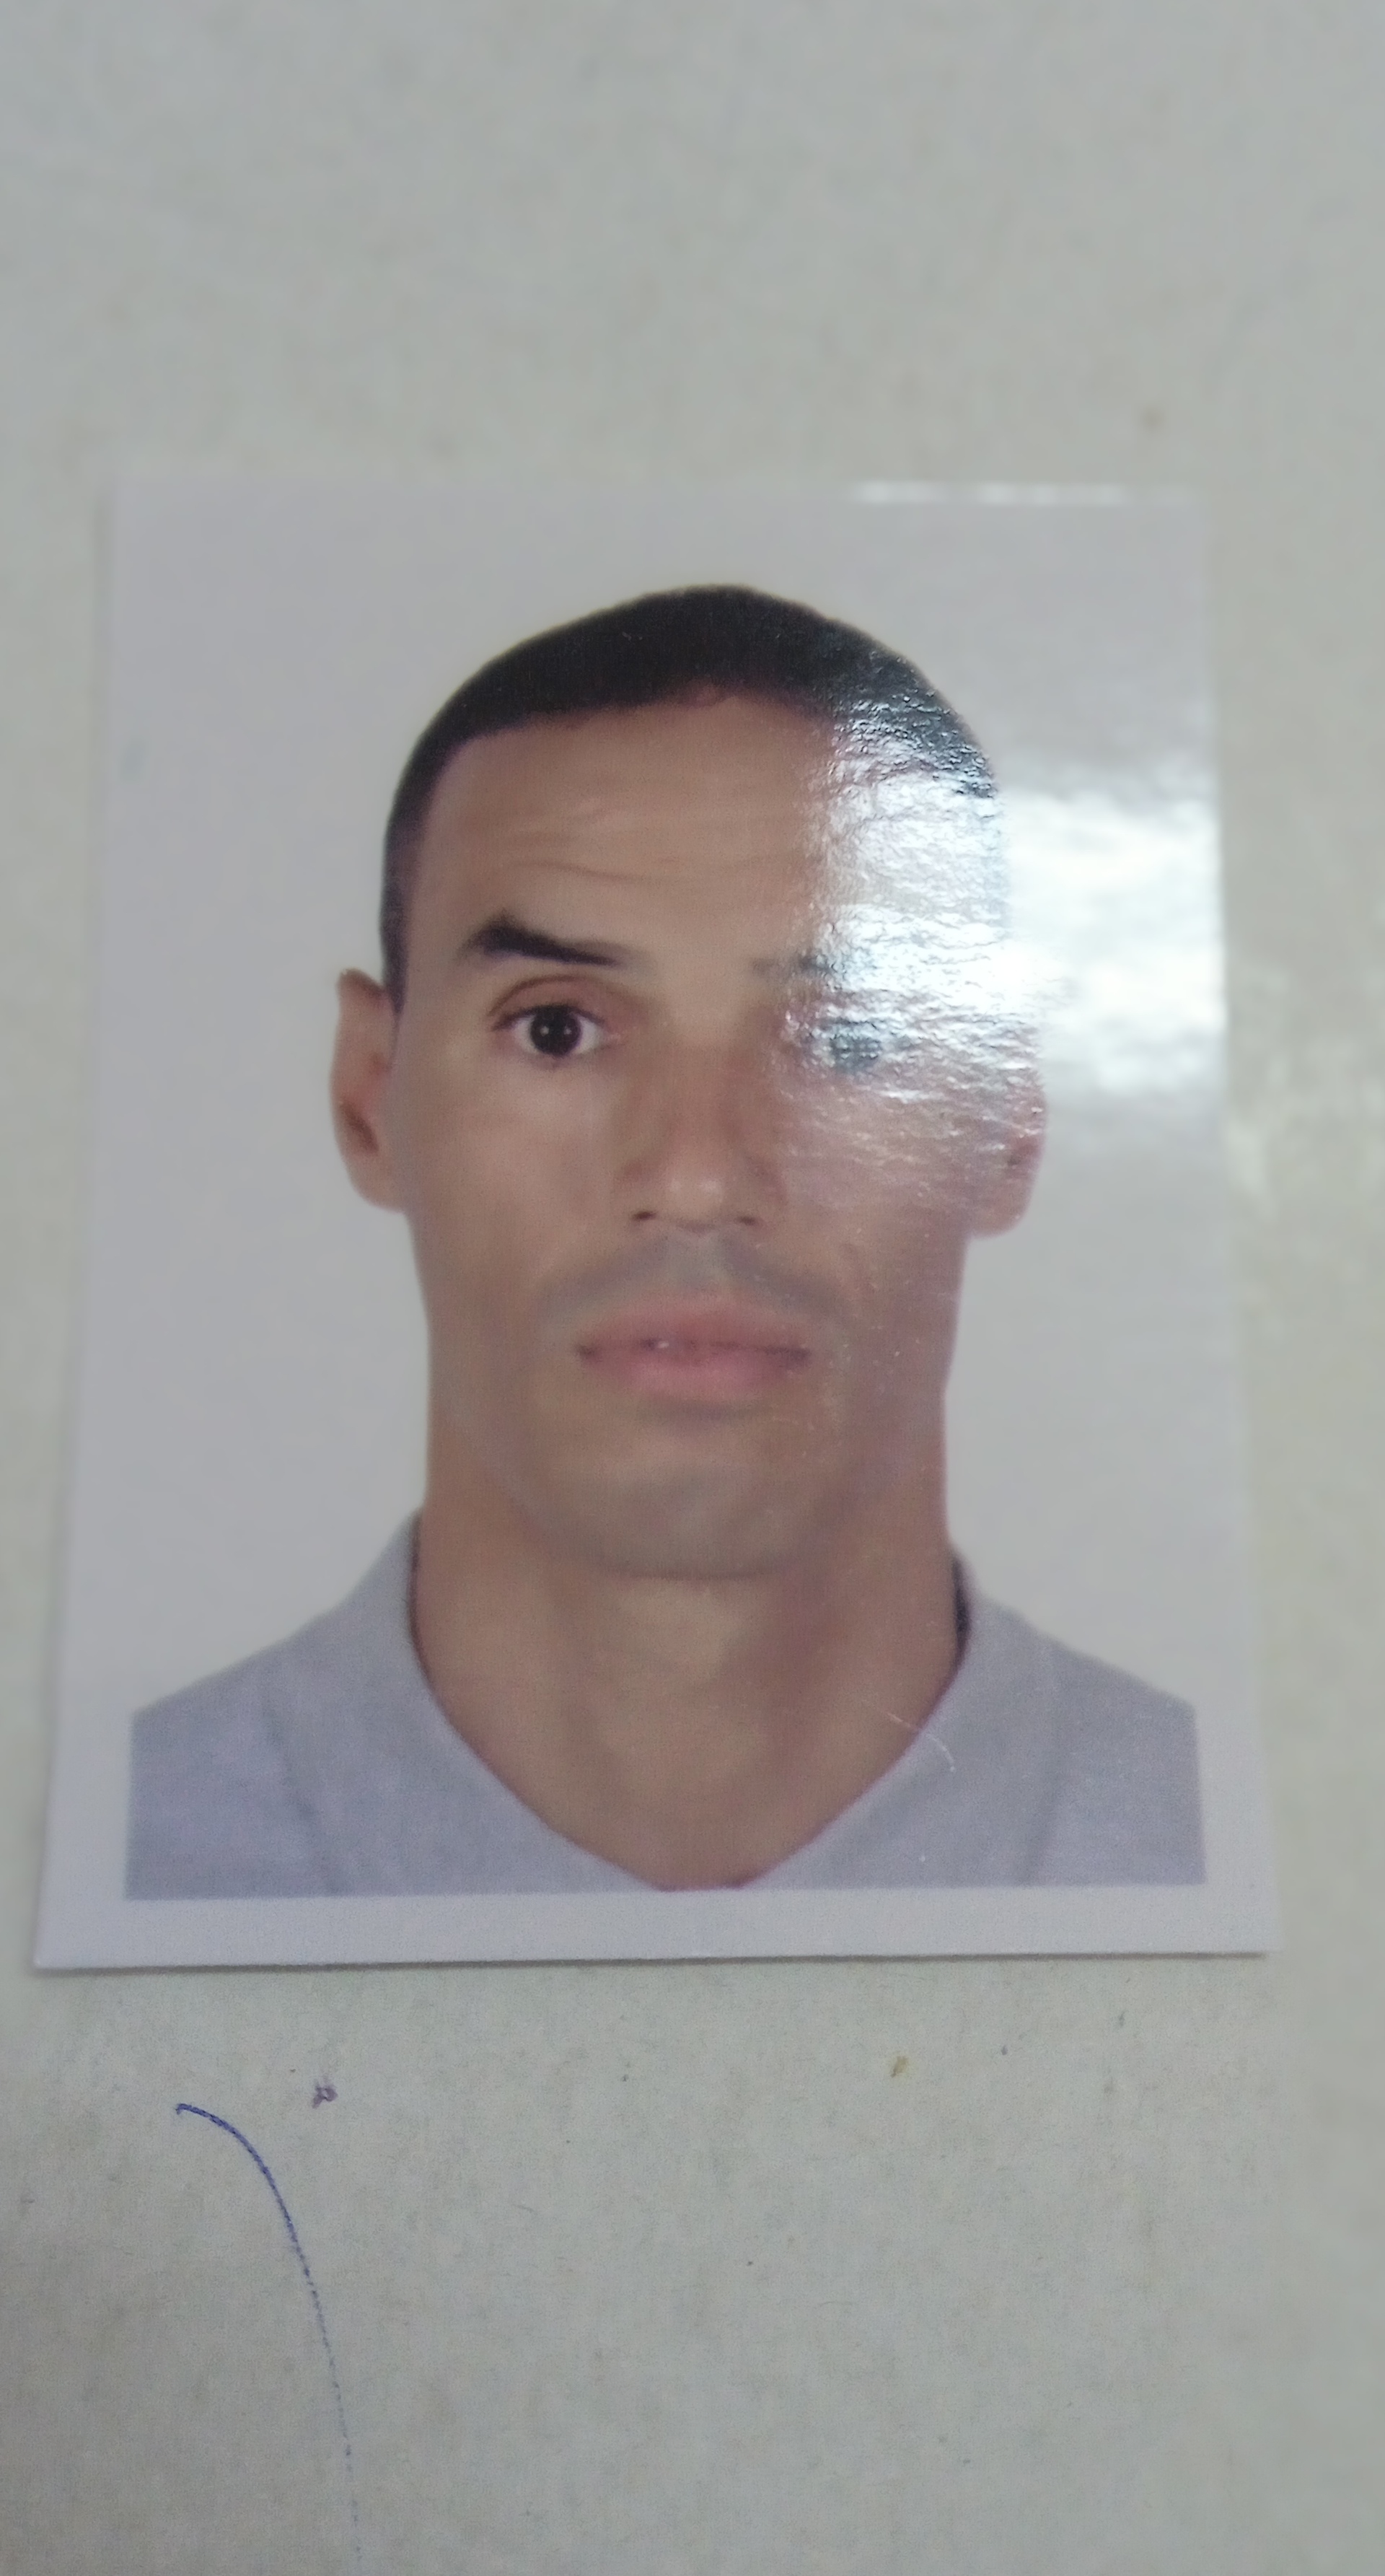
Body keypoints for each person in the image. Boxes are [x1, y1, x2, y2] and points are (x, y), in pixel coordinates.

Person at [127, 584, 1203, 1898]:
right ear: (370, 1098)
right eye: (557, 1029)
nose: (697, 1178)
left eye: (849, 1038)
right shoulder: (112, 1854)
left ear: (1008, 1119)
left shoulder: (1274, 1865)